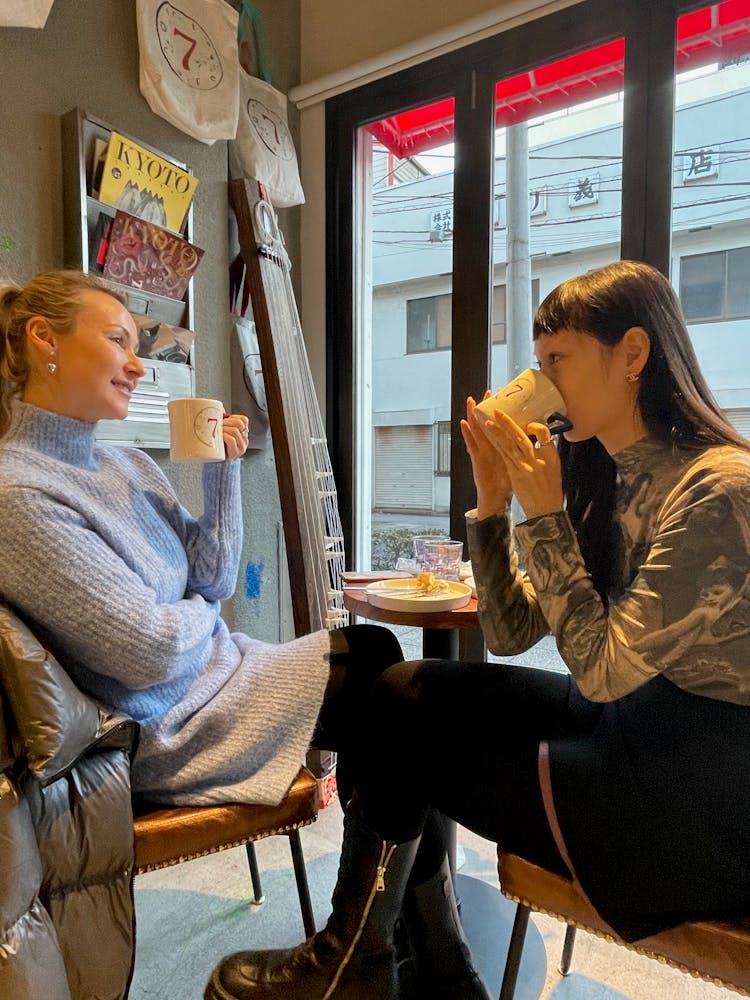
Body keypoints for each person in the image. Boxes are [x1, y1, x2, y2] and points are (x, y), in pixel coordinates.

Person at [198, 259, 750, 1000]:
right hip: (632, 728)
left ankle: (361, 965)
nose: (543, 380)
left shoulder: (717, 487)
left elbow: (602, 670)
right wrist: (494, 507)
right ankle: (425, 968)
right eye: (539, 360)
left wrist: (545, 517)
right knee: (398, 692)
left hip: (699, 791)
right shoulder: (603, 471)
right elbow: (512, 629)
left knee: (404, 743)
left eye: (559, 360)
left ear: (632, 355)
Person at [0, 271, 488, 1000]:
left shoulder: (124, 462)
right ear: (45, 340)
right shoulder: (17, 493)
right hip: (165, 726)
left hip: (222, 677)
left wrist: (223, 475)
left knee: (395, 691)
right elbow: (147, 652)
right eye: (117, 341)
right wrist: (202, 622)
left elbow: (212, 577)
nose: (138, 364)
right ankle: (402, 962)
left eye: (138, 346)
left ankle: (380, 959)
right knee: (393, 690)